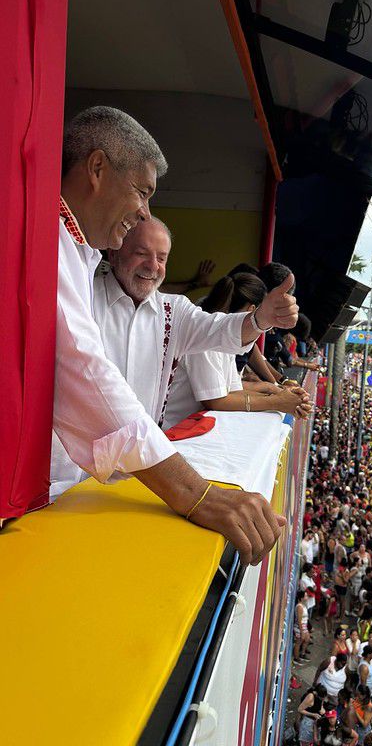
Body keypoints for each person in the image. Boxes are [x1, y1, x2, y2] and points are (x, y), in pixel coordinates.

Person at [53, 105, 300, 566]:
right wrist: (194, 493)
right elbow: (83, 370)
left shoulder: (170, 309)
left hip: (126, 478)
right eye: (142, 192)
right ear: (98, 168)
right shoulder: (67, 260)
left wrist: (261, 319)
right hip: (63, 479)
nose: (153, 266)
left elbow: (220, 330)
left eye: (162, 259)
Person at [162, 271, 312, 428]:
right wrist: (277, 401)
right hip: (172, 432)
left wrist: (281, 394)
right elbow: (216, 401)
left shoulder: (227, 340)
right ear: (251, 309)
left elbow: (233, 391)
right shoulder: (207, 336)